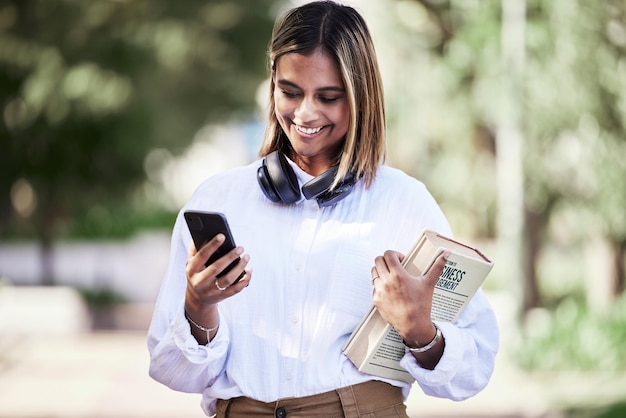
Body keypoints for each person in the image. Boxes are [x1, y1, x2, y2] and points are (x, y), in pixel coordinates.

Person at [147, 1, 499, 417]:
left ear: (361, 97)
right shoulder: (218, 199)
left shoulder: (405, 202)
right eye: (290, 92)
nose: (306, 113)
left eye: (328, 97)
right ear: (273, 83)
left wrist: (419, 328)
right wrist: (198, 305)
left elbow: (474, 367)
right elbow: (174, 371)